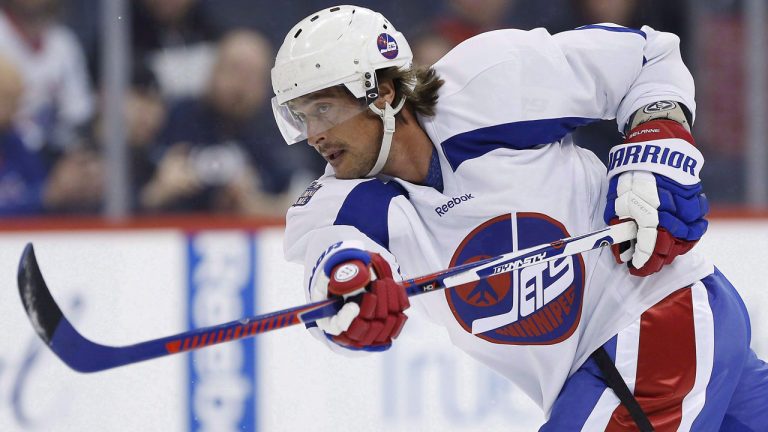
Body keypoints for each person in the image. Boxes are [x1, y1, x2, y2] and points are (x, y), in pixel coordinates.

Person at [270, 5, 768, 431]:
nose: (312, 134)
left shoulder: (488, 84)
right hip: (609, 367)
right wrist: (351, 298)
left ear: (381, 92)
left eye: (323, 109)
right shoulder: (337, 203)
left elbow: (644, 56)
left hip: (659, 318)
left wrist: (656, 139)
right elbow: (333, 266)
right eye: (300, 116)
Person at [141, 29, 319, 215]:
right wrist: (160, 190)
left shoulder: (277, 131)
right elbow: (130, 193)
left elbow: (305, 196)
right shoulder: (174, 118)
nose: (240, 85)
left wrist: (259, 205)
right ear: (213, 70)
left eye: (252, 77)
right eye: (234, 69)